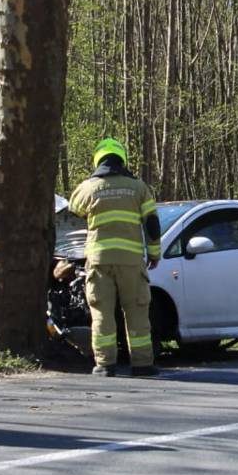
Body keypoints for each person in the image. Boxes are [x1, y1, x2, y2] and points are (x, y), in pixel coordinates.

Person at [67, 138, 161, 377]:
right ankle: (142, 364)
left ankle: (105, 365)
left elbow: (73, 210)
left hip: (99, 261)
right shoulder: (139, 188)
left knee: (102, 313)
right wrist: (154, 253)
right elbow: (152, 223)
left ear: (98, 160)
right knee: (137, 311)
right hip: (131, 261)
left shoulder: (88, 187)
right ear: (123, 159)